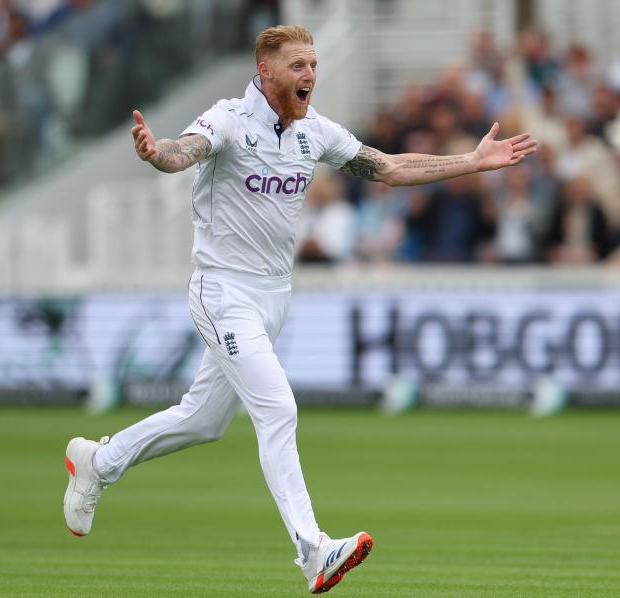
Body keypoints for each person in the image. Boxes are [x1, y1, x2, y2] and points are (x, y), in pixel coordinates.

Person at [62, 25, 538, 594]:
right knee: (278, 409)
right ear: (265, 72)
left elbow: (385, 167)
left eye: (312, 64)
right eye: (297, 66)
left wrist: (472, 162)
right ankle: (314, 551)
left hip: (272, 298)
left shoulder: (314, 132)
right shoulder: (229, 119)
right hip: (222, 292)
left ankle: (99, 461)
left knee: (204, 420)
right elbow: (182, 152)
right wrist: (156, 153)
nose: (309, 74)